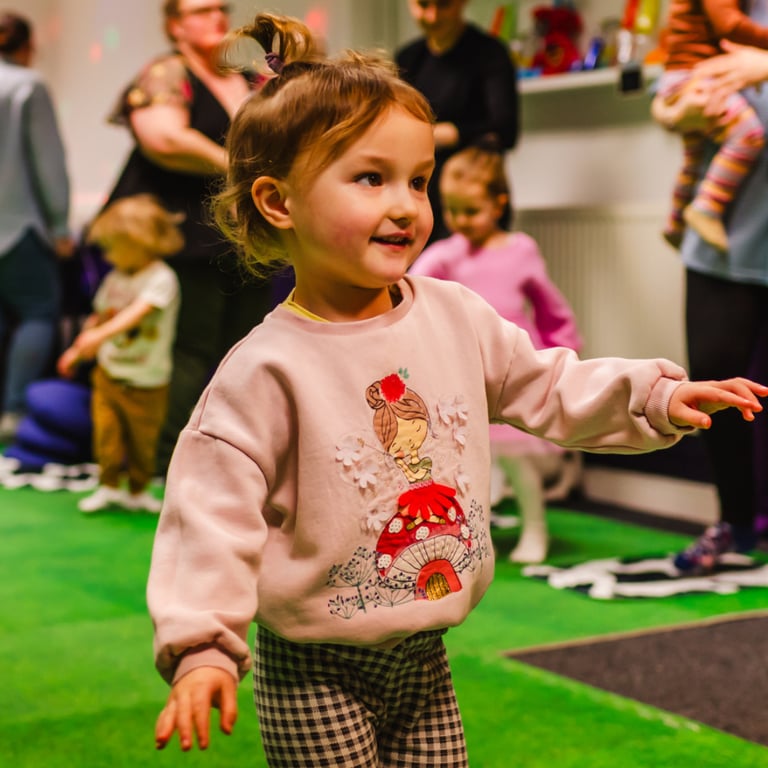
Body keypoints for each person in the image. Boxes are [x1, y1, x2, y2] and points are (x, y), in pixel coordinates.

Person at [147, 12, 767, 764]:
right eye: (370, 179)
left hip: (426, 647)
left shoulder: (453, 313)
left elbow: (548, 386)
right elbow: (208, 518)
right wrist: (202, 646)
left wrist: (653, 396)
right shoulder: (263, 371)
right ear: (279, 202)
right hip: (314, 663)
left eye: (417, 180)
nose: (406, 204)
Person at [104, 0, 274, 475]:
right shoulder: (165, 72)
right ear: (175, 25)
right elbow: (165, 139)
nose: (216, 17)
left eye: (222, 8)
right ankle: (158, 461)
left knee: (246, 346)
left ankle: (233, 457)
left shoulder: (248, 77)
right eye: (201, 10)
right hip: (180, 238)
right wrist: (239, 168)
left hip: (241, 236)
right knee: (188, 348)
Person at [409, 142, 582, 563]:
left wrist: (565, 355)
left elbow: (551, 307)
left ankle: (535, 527)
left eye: (471, 211)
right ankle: (475, 537)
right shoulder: (446, 256)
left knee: (516, 458)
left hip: (512, 373)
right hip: (464, 377)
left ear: (498, 202)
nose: (460, 222)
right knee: (469, 464)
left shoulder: (521, 249)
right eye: (452, 211)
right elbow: (410, 289)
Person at [653, 19, 768, 576]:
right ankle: (736, 524)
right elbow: (668, 94)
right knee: (720, 390)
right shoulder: (721, 12)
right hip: (720, 249)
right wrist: (677, 109)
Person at [57, 195, 182, 513]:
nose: (108, 256)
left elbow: (135, 314)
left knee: (143, 441)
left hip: (147, 381)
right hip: (110, 375)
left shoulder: (161, 279)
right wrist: (77, 349)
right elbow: (100, 316)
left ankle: (139, 489)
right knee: (107, 436)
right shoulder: (114, 279)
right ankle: (109, 485)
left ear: (138, 242)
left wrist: (99, 335)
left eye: (112, 247)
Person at [0, 11, 73, 442]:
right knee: (38, 311)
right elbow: (48, 164)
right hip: (18, 224)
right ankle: (14, 415)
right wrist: (61, 225)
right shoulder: (27, 85)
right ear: (27, 46)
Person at [396, 0, 519, 243]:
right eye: (422, 5)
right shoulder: (408, 58)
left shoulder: (489, 53)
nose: (432, 16)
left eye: (443, 5)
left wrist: (448, 133)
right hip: (421, 198)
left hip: (471, 200)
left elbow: (506, 129)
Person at [653, 0, 768, 252]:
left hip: (756, 242)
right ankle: (705, 209)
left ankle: (676, 221)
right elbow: (660, 104)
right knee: (748, 134)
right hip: (720, 252)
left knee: (692, 159)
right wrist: (674, 113)